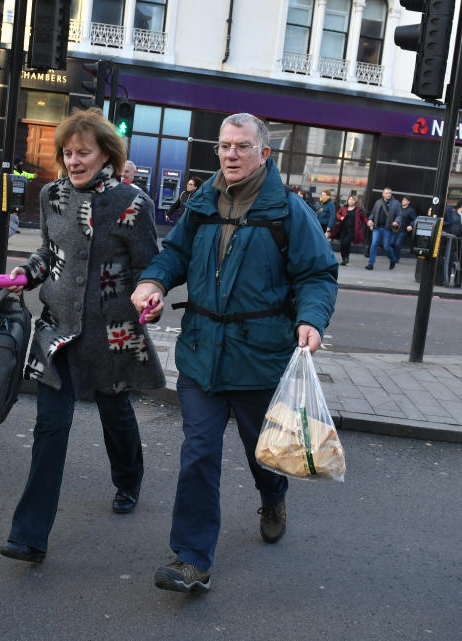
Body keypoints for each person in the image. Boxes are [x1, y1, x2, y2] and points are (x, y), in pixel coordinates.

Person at [131, 113, 338, 594]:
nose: (230, 154)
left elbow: (317, 275)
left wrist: (311, 318)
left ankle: (272, 496)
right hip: (202, 352)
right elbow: (175, 253)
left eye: (242, 146)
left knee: (260, 453)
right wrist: (153, 281)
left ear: (264, 154)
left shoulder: (289, 211)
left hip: (259, 357)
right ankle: (191, 559)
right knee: (198, 453)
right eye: (224, 146)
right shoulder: (202, 202)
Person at [0, 109, 164, 565]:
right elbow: (49, 253)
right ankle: (29, 536)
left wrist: (152, 293)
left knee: (116, 415)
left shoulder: (132, 202)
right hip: (57, 330)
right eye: (68, 153)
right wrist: (24, 275)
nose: (73, 161)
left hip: (111, 334)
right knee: (50, 428)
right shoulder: (51, 195)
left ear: (106, 154)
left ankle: (128, 478)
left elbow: (152, 265)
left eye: (83, 152)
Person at [366, 187, 403, 270]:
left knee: (386, 247)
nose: (388, 194)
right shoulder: (378, 202)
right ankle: (370, 264)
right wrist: (370, 220)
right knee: (374, 244)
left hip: (387, 228)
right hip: (377, 227)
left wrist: (397, 221)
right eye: (386, 193)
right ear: (383, 194)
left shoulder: (396, 203)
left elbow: (400, 214)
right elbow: (373, 213)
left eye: (390, 193)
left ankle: (392, 259)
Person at [331, 194, 367, 266]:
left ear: (355, 201)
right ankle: (344, 259)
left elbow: (364, 218)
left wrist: (368, 222)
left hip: (353, 230)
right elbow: (338, 214)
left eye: (353, 200)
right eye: (350, 199)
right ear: (348, 200)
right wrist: (340, 217)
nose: (351, 201)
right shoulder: (343, 207)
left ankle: (346, 258)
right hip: (343, 229)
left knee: (346, 242)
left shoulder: (358, 209)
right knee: (342, 245)